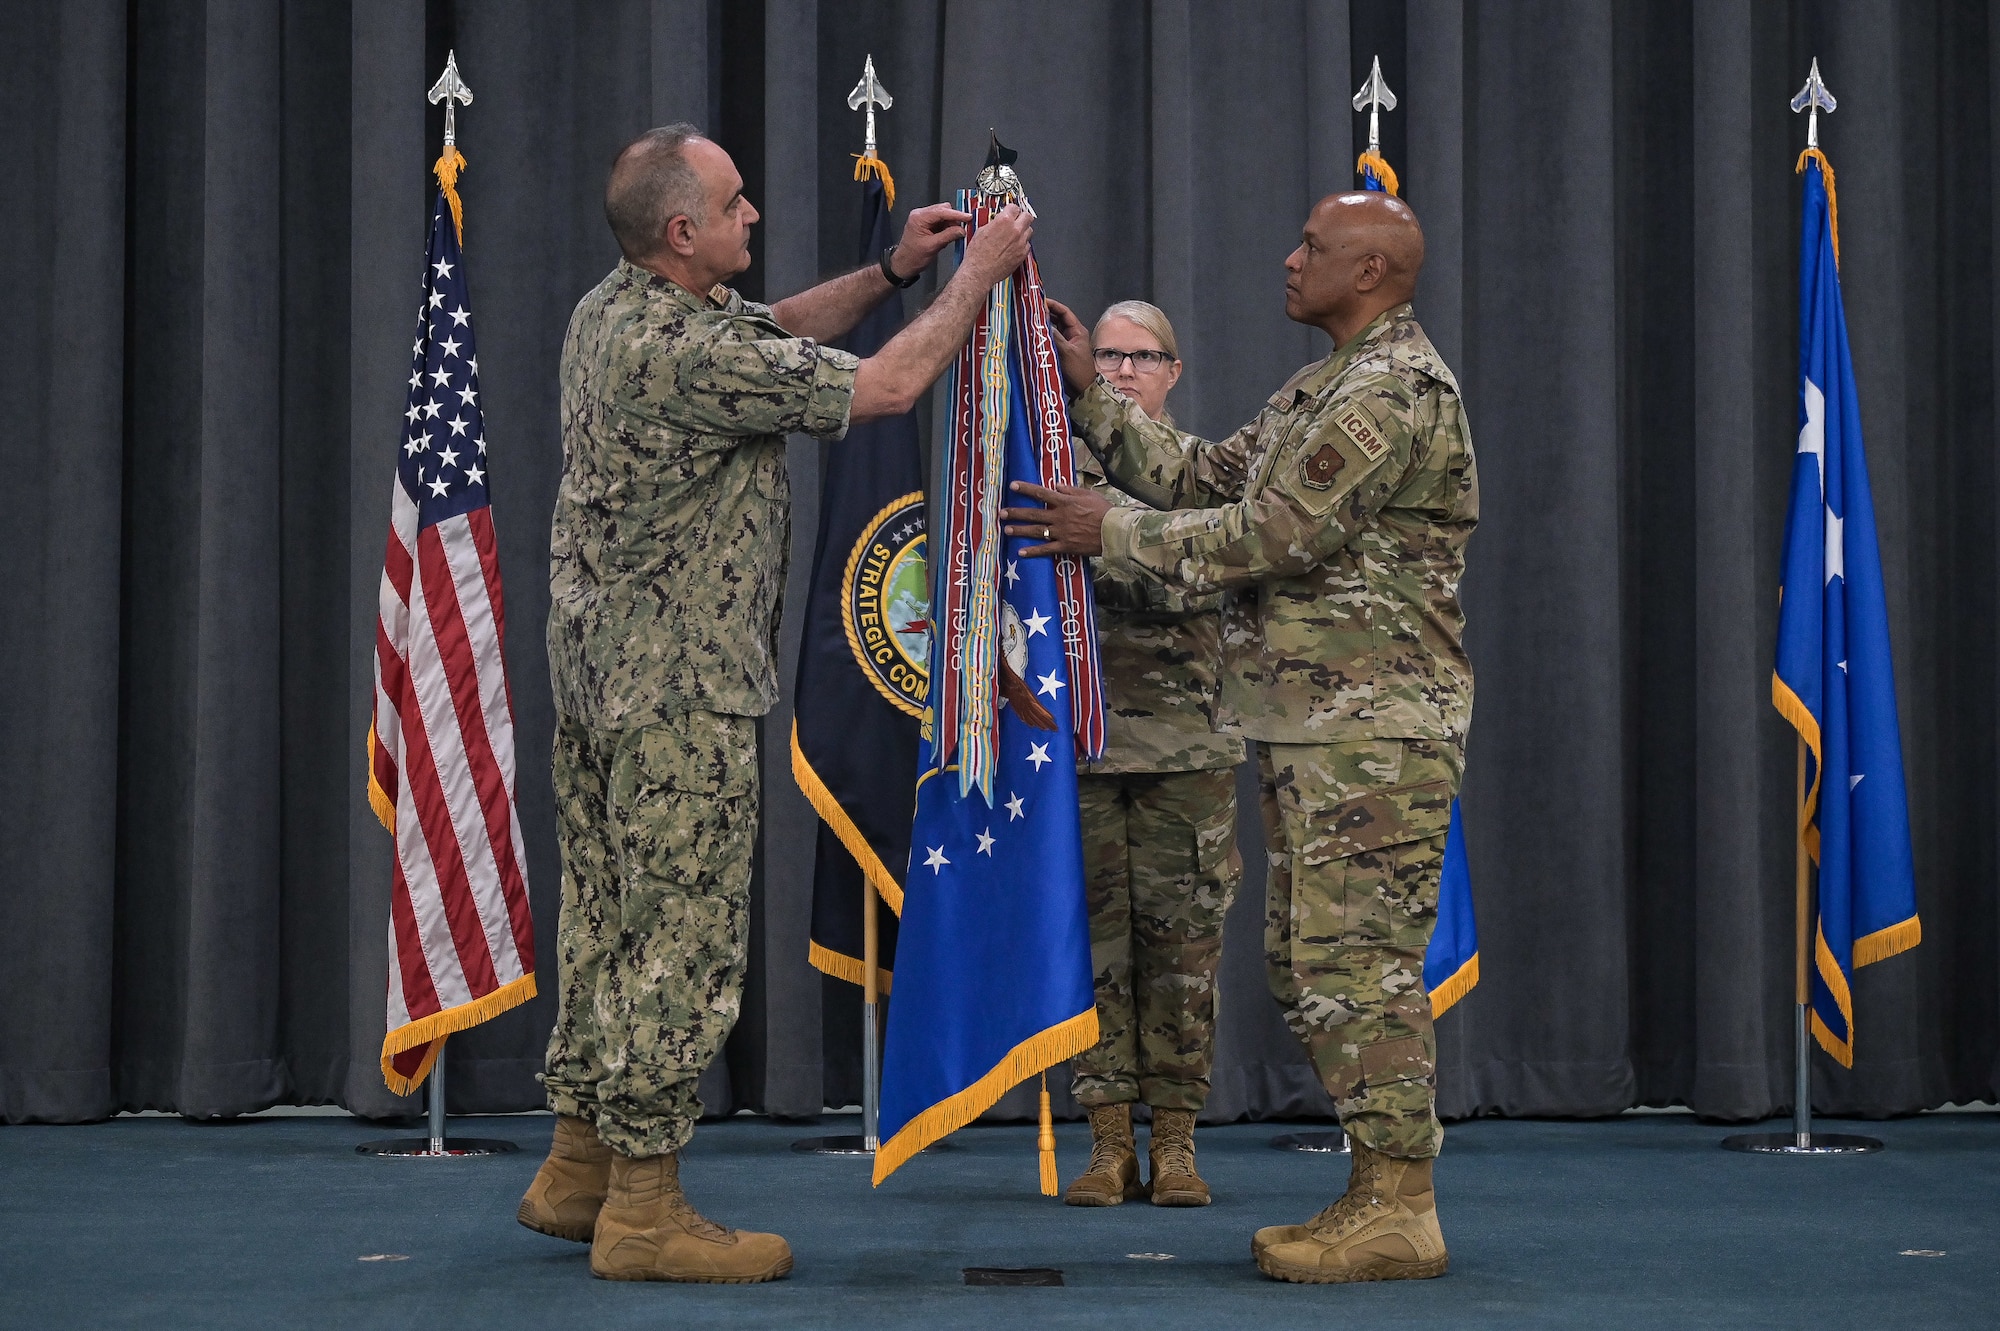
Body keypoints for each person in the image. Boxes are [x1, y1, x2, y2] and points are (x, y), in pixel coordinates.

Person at [521, 123, 1031, 1285]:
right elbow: (892, 384)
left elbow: (778, 333)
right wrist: (976, 277)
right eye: (736, 202)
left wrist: (896, 271)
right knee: (680, 935)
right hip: (677, 687)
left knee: (607, 922)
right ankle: (645, 1209)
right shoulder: (683, 348)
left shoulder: (617, 311)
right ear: (681, 232)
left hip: (602, 677)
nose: (755, 215)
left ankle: (578, 1163)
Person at [1001, 190, 1475, 1284]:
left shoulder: (1389, 392)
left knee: (1357, 964)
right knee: (1313, 958)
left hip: (1372, 729)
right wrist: (1091, 398)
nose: (1287, 257)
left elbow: (1265, 533)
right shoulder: (1321, 386)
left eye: (1311, 247)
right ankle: (1372, 1191)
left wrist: (1102, 526)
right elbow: (1205, 476)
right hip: (1312, 726)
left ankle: (1402, 1201)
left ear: (1367, 273)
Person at [1061, 301, 1244, 1209]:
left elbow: (1206, 569)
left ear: (1175, 371)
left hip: (1186, 751)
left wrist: (1109, 545)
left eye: (1142, 356)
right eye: (1106, 354)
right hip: (1081, 755)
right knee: (1096, 954)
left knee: (1182, 956)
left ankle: (1174, 1142)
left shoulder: (1204, 481)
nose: (1124, 369)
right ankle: (1106, 1144)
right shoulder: (1054, 479)